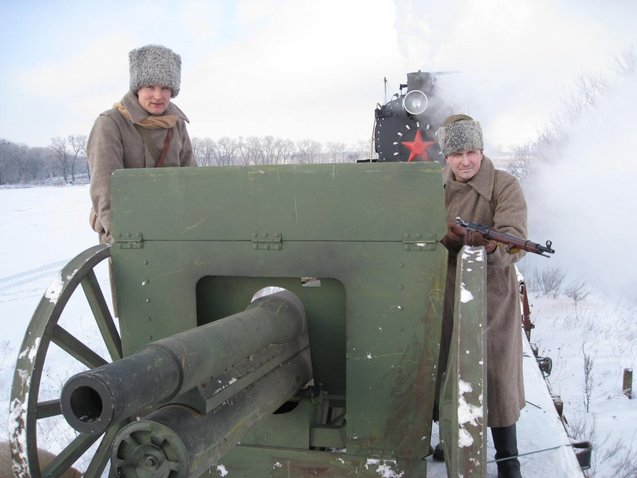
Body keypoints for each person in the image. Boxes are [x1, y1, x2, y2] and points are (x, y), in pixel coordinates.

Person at [437, 114, 527, 478]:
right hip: (444, 297)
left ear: (482, 150)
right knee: (445, 372)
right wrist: (449, 239)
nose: (465, 161)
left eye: (471, 151)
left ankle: (508, 459)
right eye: (457, 153)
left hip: (492, 299)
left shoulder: (505, 186)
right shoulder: (435, 188)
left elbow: (514, 238)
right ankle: (446, 438)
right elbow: (418, 233)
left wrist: (486, 247)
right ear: (446, 157)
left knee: (497, 380)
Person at [87, 44, 197, 243]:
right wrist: (125, 239)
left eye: (165, 88)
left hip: (173, 229)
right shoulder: (110, 124)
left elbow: (192, 178)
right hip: (130, 233)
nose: (158, 95)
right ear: (138, 88)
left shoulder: (176, 124)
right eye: (150, 87)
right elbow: (105, 190)